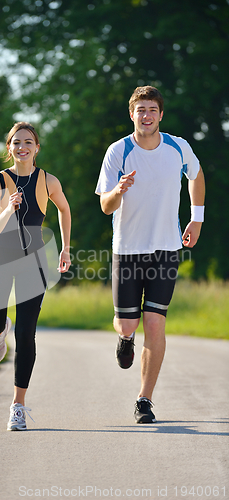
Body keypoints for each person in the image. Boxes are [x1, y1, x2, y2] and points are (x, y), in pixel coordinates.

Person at [95, 86, 205, 423]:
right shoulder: (119, 151)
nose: (146, 115)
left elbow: (197, 177)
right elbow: (105, 205)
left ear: (160, 115)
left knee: (155, 322)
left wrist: (196, 218)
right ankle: (125, 338)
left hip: (166, 248)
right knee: (129, 322)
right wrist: (118, 190)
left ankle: (144, 400)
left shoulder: (178, 147)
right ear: (132, 114)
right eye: (140, 109)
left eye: (152, 110)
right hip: (127, 249)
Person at [0, 122, 71, 431]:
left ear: (36, 147)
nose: (22, 147)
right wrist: (7, 210)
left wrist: (66, 248)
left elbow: (64, 209)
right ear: (9, 148)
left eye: (28, 142)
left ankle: (17, 405)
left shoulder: (49, 181)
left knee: (26, 334)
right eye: (16, 142)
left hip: (34, 261)